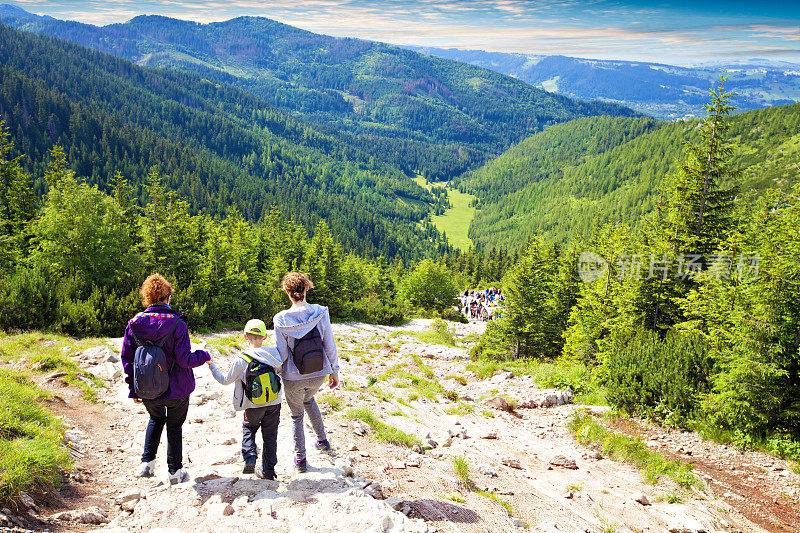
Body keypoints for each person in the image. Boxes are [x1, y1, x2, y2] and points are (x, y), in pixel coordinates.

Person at [120, 273, 210, 484]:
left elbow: (127, 359)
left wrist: (133, 389)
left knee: (156, 418)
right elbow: (185, 359)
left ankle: (147, 464)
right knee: (174, 426)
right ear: (168, 297)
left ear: (147, 298)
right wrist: (204, 355)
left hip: (147, 387)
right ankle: (174, 472)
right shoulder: (177, 324)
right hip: (177, 388)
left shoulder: (134, 323)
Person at [273, 272, 339, 474]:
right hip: (319, 372)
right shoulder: (320, 312)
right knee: (309, 400)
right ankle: (323, 441)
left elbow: (282, 353)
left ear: (286, 291)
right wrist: (334, 371)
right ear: (307, 288)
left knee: (296, 415)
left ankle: (301, 460)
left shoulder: (280, 319)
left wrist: (276, 371)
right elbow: (329, 343)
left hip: (293, 377)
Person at [208, 319, 283, 480]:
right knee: (270, 436)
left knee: (249, 428)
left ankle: (250, 458)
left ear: (244, 336)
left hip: (252, 405)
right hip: (274, 403)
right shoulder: (274, 354)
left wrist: (211, 365)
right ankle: (269, 471)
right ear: (265, 336)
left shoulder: (241, 360)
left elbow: (224, 380)